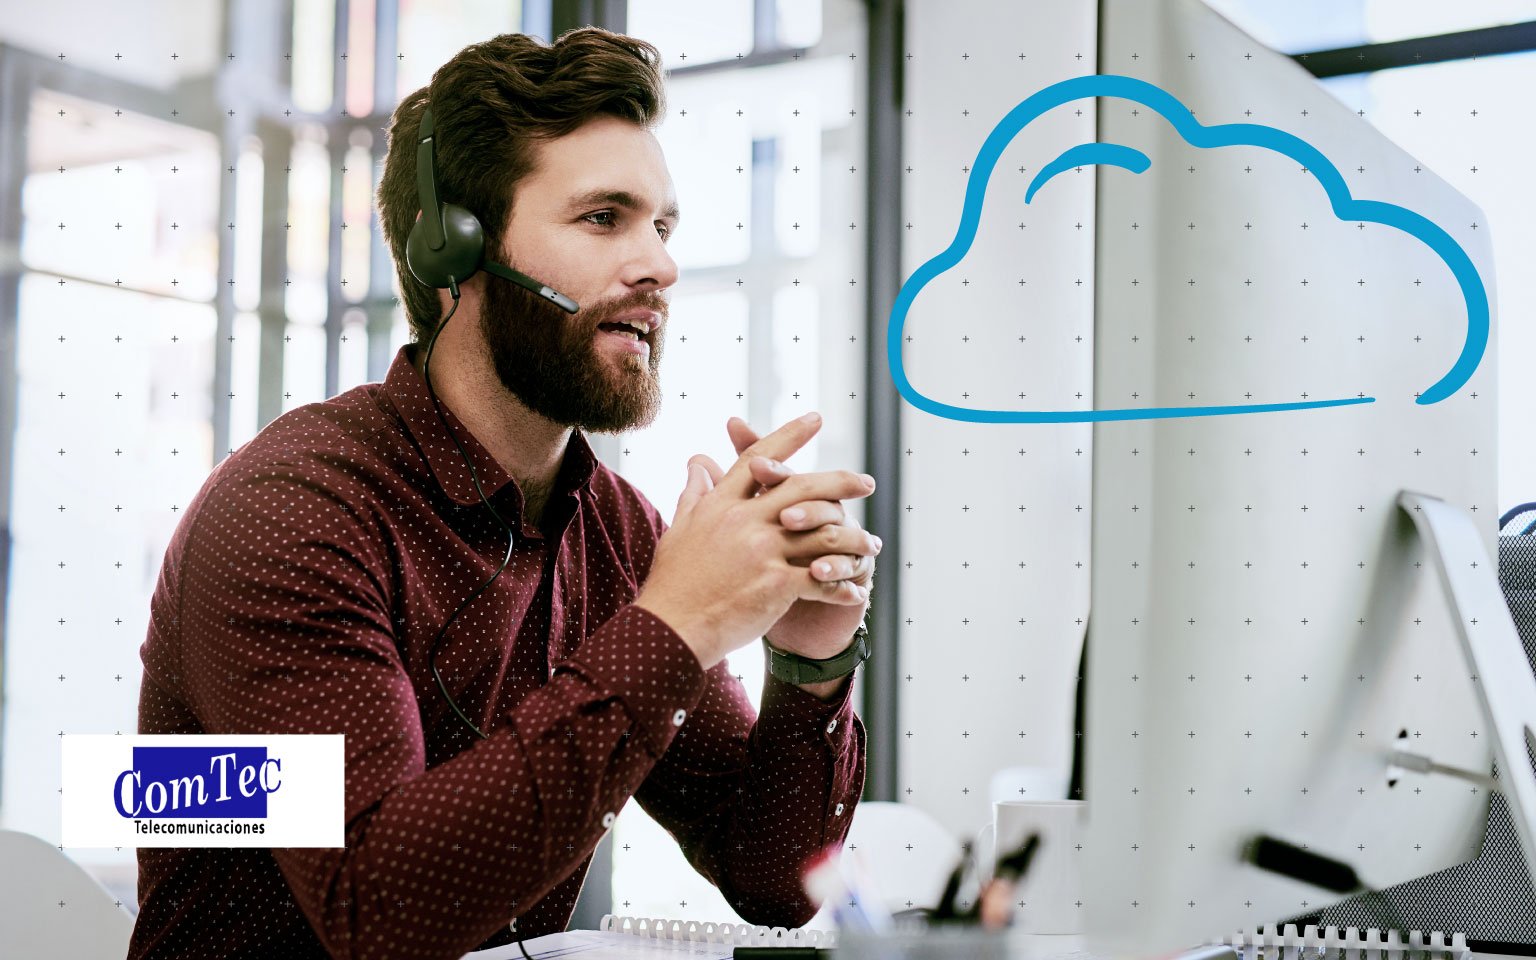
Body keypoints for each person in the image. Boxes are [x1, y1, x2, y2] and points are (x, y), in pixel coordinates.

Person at [127, 27, 880, 959]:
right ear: (455, 249)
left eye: (662, 226)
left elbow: (771, 881)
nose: (660, 266)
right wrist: (680, 622)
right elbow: (376, 909)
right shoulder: (290, 512)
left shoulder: (612, 531)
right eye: (605, 218)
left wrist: (810, 661)